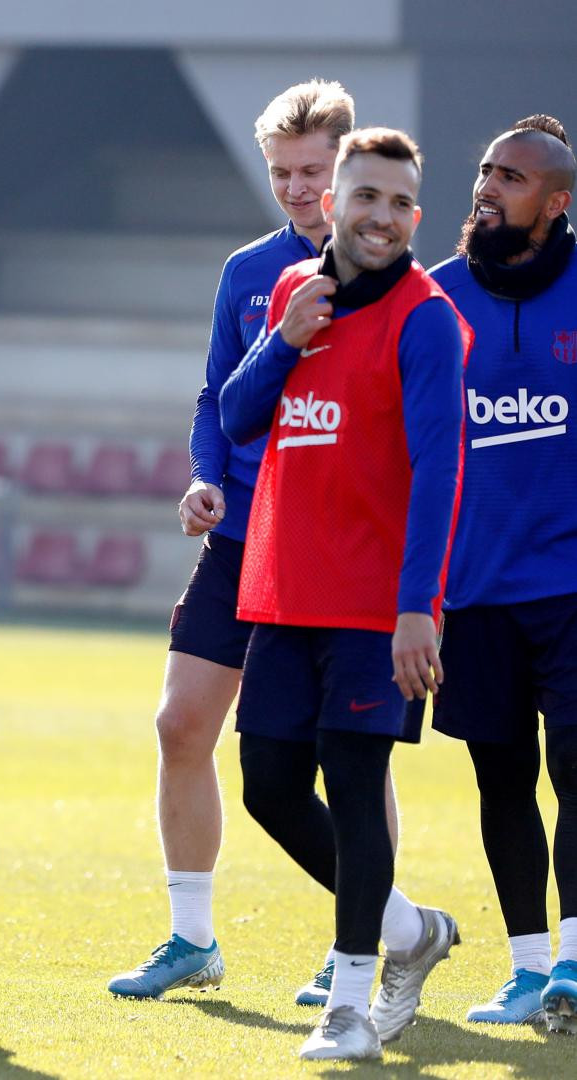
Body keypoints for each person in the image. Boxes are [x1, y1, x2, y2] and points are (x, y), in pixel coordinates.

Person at [108, 79, 399, 1006]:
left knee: (352, 755)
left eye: (314, 171)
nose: (297, 189)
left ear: (351, 168)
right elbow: (215, 398)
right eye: (281, 173)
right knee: (178, 723)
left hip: (340, 548)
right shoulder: (248, 272)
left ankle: (357, 941)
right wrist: (202, 475)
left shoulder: (398, 285)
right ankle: (190, 936)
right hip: (243, 532)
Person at [219, 127, 470, 1061]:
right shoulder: (292, 293)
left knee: (355, 789)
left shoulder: (427, 317)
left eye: (401, 204)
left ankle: (350, 1006)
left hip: (373, 607)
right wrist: (282, 342)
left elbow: (439, 470)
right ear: (330, 204)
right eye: (366, 198)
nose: (383, 218)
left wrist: (418, 606)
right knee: (268, 788)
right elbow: (241, 417)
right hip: (282, 592)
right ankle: (410, 931)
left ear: (415, 216)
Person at [428, 114, 577, 1033]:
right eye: (485, 170)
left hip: (568, 587)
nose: (487, 186)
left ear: (554, 203)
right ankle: (526, 968)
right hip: (473, 590)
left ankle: (572, 963)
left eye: (511, 177)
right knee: (500, 779)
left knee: (576, 770)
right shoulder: (433, 298)